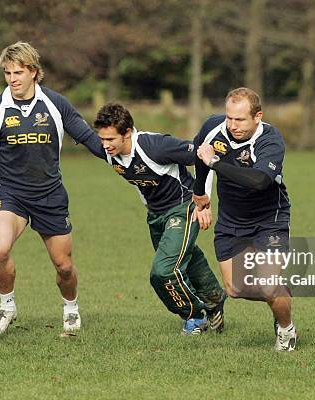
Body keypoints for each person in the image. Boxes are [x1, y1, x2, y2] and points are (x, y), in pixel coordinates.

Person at [0, 42, 105, 335]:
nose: (12, 78)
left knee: (64, 267)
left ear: (33, 71)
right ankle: (7, 306)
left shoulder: (56, 104)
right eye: (7, 73)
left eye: (18, 72)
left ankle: (70, 307)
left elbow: (88, 138)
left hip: (50, 196)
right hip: (11, 195)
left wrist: (118, 155)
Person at [93, 103, 226, 335]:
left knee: (163, 271)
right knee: (187, 256)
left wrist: (203, 200)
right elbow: (81, 133)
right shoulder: (109, 150)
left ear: (127, 132)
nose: (104, 145)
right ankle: (214, 298)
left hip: (183, 208)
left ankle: (194, 316)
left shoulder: (155, 146)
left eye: (110, 139)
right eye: (101, 139)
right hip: (155, 215)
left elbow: (203, 154)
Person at [192, 88, 297, 351]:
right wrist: (200, 196)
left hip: (269, 219)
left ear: (257, 117)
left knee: (269, 286)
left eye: (240, 120)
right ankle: (279, 295)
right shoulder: (213, 127)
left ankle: (286, 329)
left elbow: (259, 181)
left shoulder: (270, 140)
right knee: (235, 289)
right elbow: (200, 157)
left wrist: (215, 163)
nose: (232, 125)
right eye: (229, 118)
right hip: (230, 219)